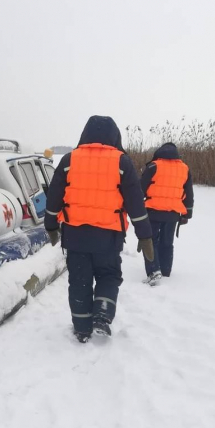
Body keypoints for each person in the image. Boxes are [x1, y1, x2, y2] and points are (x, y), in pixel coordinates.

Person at [45, 116, 154, 343]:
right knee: (108, 275)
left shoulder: (68, 160)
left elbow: (54, 197)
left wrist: (51, 225)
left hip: (75, 236)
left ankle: (82, 329)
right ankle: (102, 316)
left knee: (79, 280)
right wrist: (145, 235)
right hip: (108, 237)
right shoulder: (122, 162)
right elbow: (135, 203)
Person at [140, 142, 194, 285]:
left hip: (153, 211)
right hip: (173, 213)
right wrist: (187, 213)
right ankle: (165, 271)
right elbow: (189, 192)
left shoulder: (153, 166)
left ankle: (153, 271)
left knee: (151, 241)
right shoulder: (184, 169)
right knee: (167, 242)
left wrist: (137, 208)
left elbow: (140, 189)